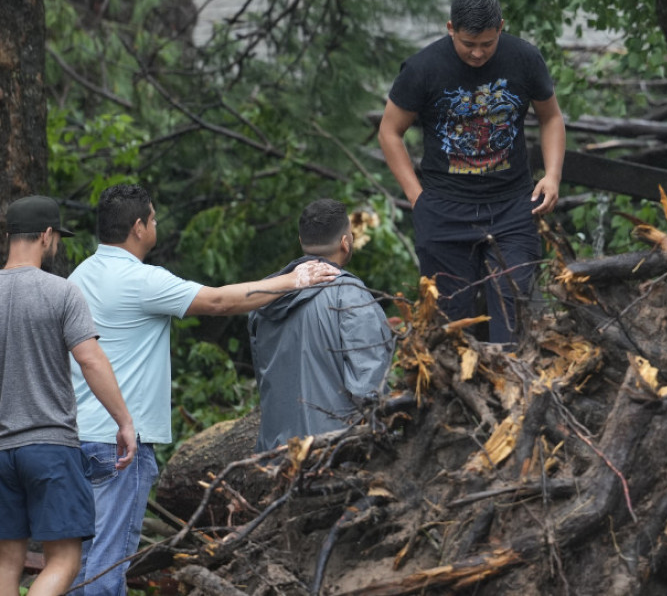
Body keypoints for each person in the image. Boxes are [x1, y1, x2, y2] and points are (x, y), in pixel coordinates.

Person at [68, 184, 340, 596]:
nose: (156, 225)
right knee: (106, 568)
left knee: (78, 562)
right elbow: (217, 302)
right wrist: (291, 280)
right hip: (119, 444)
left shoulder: (78, 277)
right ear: (139, 227)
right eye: (154, 219)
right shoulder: (140, 280)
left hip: (74, 436)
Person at [378, 0, 565, 344]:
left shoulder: (524, 58)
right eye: (468, 44)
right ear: (451, 28)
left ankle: (514, 392)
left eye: (487, 44)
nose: (478, 53)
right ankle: (455, 396)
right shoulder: (422, 68)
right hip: (444, 209)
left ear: (501, 28)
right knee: (449, 324)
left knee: (515, 309)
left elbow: (551, 117)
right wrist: (417, 197)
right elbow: (389, 132)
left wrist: (552, 175)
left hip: (512, 205)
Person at [0, 196, 136, 596]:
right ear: (46, 236)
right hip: (49, 447)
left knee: (7, 559)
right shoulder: (62, 292)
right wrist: (124, 422)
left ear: (10, 236)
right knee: (65, 559)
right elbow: (90, 360)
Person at [248, 198, 395, 452]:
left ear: (301, 242)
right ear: (345, 243)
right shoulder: (350, 295)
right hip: (334, 457)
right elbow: (371, 391)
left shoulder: (264, 298)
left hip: (275, 456)